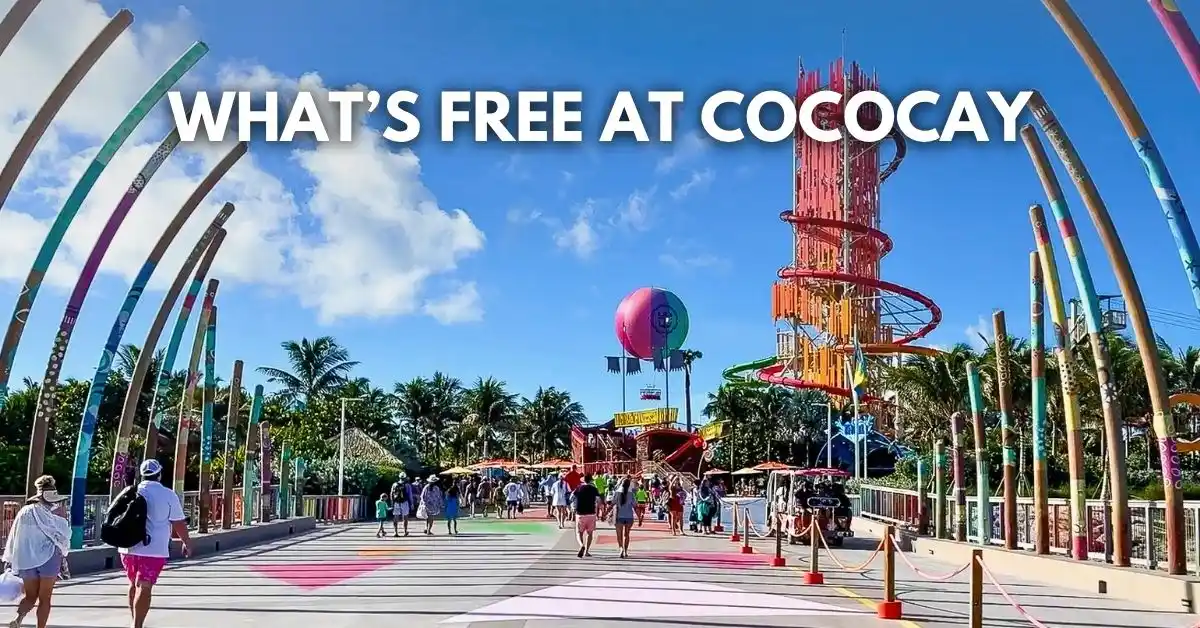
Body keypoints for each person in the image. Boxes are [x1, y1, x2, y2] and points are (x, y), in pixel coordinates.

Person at [120, 459, 192, 628]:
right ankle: (137, 625)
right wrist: (187, 542)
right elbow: (178, 522)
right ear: (159, 475)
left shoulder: (129, 491)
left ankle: (134, 620)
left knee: (133, 584)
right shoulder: (167, 494)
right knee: (144, 586)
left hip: (127, 547)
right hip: (153, 550)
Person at [3, 475, 70, 628]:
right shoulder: (57, 512)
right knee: (45, 598)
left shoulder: (25, 511)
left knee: (30, 596)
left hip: (26, 559)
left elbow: (15, 536)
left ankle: (18, 620)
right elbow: (64, 534)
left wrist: (13, 558)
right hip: (49, 558)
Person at [571, 474, 600, 558]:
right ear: (591, 480)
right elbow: (598, 500)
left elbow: (571, 497)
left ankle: (581, 545)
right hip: (591, 513)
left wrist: (573, 506)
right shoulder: (594, 489)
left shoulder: (578, 488)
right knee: (589, 533)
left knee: (579, 532)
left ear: (583, 480)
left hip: (580, 513)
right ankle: (587, 551)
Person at [612, 477, 637, 558]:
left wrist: (605, 513)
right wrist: (640, 517)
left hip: (619, 516)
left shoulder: (617, 493)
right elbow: (635, 506)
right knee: (626, 535)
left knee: (619, 535)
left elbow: (612, 503)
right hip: (629, 517)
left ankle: (621, 549)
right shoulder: (631, 494)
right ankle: (626, 551)